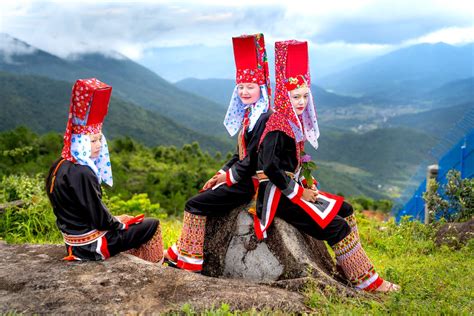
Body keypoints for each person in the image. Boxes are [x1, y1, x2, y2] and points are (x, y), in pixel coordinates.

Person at [255, 40, 400, 292]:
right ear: (284, 96)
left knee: (346, 209)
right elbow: (269, 166)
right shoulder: (278, 124)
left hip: (291, 186)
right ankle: (365, 282)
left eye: (304, 96)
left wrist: (305, 183)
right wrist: (300, 192)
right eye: (295, 96)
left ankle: (352, 267)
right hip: (277, 194)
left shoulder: (291, 120)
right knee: (338, 227)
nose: (300, 102)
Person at [164, 34, 272, 272]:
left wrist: (229, 177)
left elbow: (253, 160)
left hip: (251, 182)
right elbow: (240, 154)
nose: (244, 92)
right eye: (241, 87)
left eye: (250, 87)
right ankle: (180, 251)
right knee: (206, 193)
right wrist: (221, 173)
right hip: (241, 176)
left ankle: (190, 262)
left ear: (261, 88)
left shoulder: (264, 117)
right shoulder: (251, 115)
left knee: (194, 204)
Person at [46, 78, 163, 263]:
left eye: (100, 139)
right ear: (80, 142)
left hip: (72, 241)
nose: (99, 145)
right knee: (152, 225)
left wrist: (118, 220)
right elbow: (101, 221)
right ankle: (152, 269)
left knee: (127, 218)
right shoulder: (83, 172)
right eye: (92, 141)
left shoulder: (59, 165)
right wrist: (119, 223)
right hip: (91, 245)